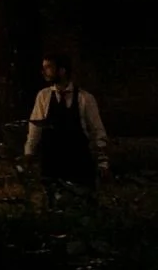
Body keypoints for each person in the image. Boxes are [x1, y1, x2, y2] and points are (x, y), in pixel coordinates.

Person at [24, 54, 108, 201]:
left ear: (62, 70)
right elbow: (35, 128)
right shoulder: (43, 96)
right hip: (52, 163)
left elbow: (97, 131)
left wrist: (103, 161)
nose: (44, 72)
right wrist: (29, 153)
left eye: (48, 67)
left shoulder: (85, 98)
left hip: (78, 162)